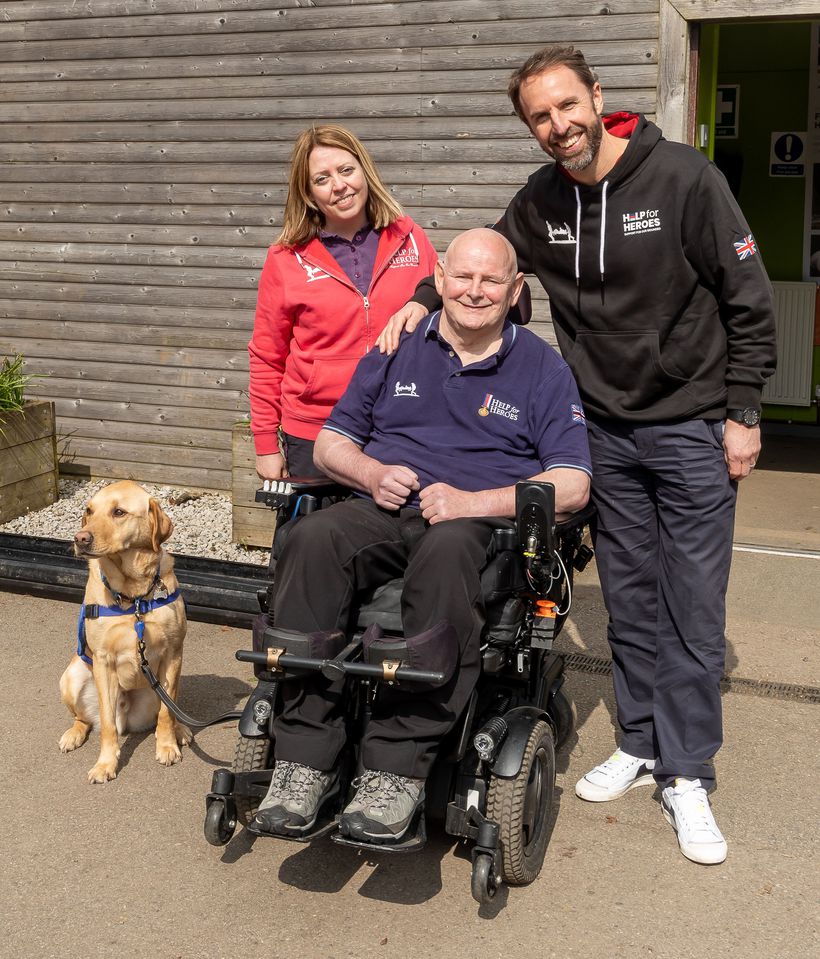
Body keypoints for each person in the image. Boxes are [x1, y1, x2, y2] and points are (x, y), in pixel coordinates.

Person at [382, 46, 777, 865]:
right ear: (529, 126)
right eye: (539, 116)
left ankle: (687, 769)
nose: (558, 125)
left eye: (568, 105)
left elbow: (749, 297)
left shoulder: (684, 180)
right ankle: (638, 740)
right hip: (605, 429)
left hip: (693, 424)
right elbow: (485, 251)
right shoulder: (542, 200)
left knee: (692, 602)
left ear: (598, 97)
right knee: (628, 595)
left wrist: (743, 411)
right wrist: (421, 299)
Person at [250, 229, 592, 843]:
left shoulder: (541, 367)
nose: (475, 291)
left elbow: (571, 484)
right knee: (312, 539)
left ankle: (394, 772)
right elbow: (330, 444)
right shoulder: (398, 343)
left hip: (473, 526)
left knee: (449, 548)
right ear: (439, 279)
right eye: (463, 277)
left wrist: (472, 502)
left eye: (492, 281)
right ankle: (303, 762)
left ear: (516, 290)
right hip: (384, 507)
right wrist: (371, 472)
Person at [247, 124, 438, 481]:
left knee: (391, 533)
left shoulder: (409, 237)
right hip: (314, 429)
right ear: (308, 193)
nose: (339, 185)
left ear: (364, 170)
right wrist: (266, 446)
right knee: (312, 535)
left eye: (346, 170)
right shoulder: (286, 258)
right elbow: (266, 356)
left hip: (397, 424)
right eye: (322, 179)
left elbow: (442, 298)